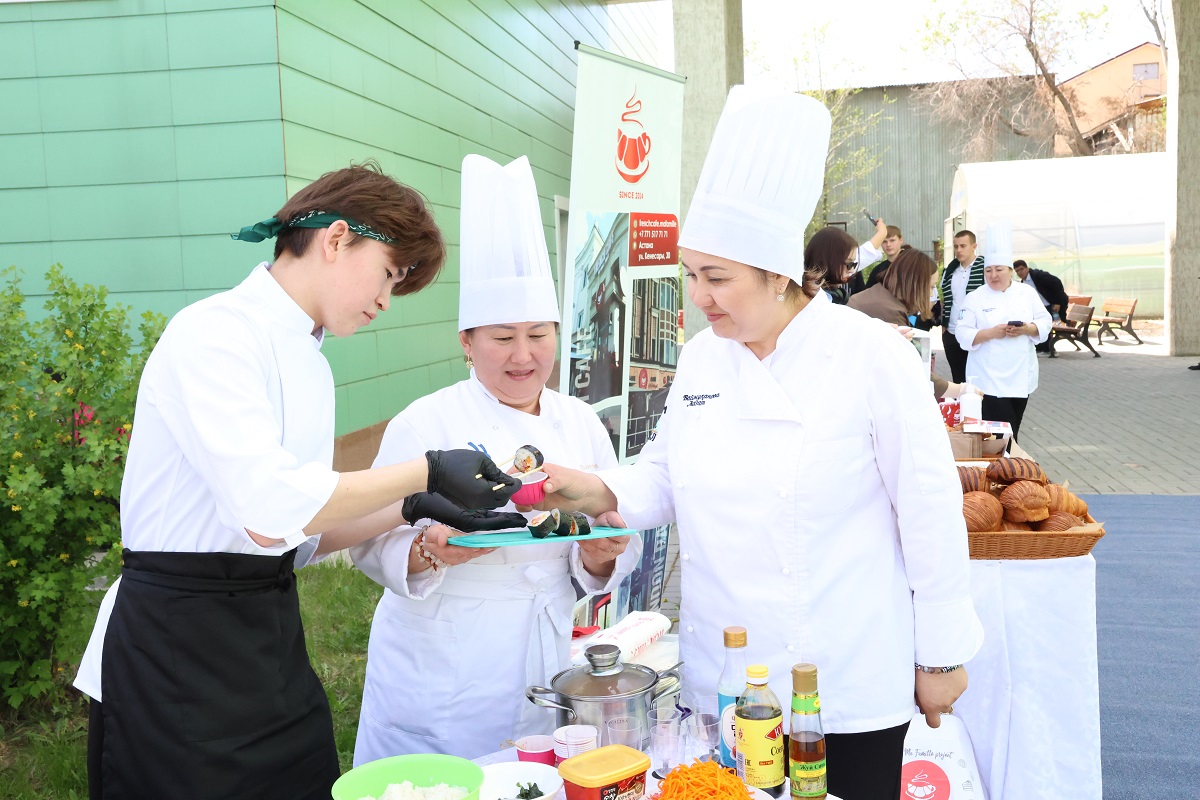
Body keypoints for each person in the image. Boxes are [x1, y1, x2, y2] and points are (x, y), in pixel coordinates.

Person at [536, 87, 983, 800]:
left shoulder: (870, 355)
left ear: (777, 274)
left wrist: (943, 654)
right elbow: (665, 475)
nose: (699, 296)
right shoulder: (706, 358)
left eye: (718, 278)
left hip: (844, 677)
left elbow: (928, 512)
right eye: (692, 275)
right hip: (726, 677)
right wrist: (593, 490)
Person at [75, 164, 521, 800]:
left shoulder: (310, 361)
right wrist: (424, 468)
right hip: (174, 641)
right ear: (337, 239)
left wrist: (417, 506)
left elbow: (297, 535)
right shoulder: (216, 333)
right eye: (389, 274)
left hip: (266, 632)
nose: (385, 301)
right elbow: (267, 505)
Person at [349, 155, 640, 764]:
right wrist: (428, 551)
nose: (523, 356)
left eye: (539, 335)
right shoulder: (424, 423)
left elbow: (608, 532)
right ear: (466, 341)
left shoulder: (580, 423)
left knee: (532, 773)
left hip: (541, 655)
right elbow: (363, 542)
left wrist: (596, 558)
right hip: (442, 671)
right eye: (502, 337)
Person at [954, 223, 1052, 441]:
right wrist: (991, 333)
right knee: (1003, 436)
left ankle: (1010, 468)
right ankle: (1009, 469)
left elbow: (1045, 321)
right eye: (988, 271)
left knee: (1013, 428)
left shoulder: (1026, 293)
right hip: (988, 379)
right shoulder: (975, 297)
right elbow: (962, 333)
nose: (993, 275)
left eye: (998, 270)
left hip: (1021, 377)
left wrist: (1027, 329)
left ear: (1010, 270)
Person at [849, 248, 962, 399]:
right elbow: (912, 371)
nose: (930, 294)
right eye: (930, 287)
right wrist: (961, 390)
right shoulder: (890, 310)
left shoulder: (882, 295)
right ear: (915, 284)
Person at [939, 230, 986, 383]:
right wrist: (944, 327)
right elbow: (945, 299)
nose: (958, 250)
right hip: (952, 332)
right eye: (956, 246)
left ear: (974, 246)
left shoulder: (985, 269)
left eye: (963, 246)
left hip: (975, 333)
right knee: (958, 378)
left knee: (976, 379)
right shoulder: (950, 271)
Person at [1013, 259, 1069, 354]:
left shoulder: (1039, 275)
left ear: (1027, 268)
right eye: (1017, 271)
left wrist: (1057, 302)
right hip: (1039, 308)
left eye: (1021, 269)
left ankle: (1049, 349)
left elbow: (1057, 283)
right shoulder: (1023, 282)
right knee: (1035, 325)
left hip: (1051, 306)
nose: (1019, 272)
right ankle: (1040, 349)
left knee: (1048, 325)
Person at [864, 225, 905, 289]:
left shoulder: (912, 263)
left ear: (901, 240)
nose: (888, 245)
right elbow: (867, 294)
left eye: (892, 240)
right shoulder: (878, 270)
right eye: (884, 241)